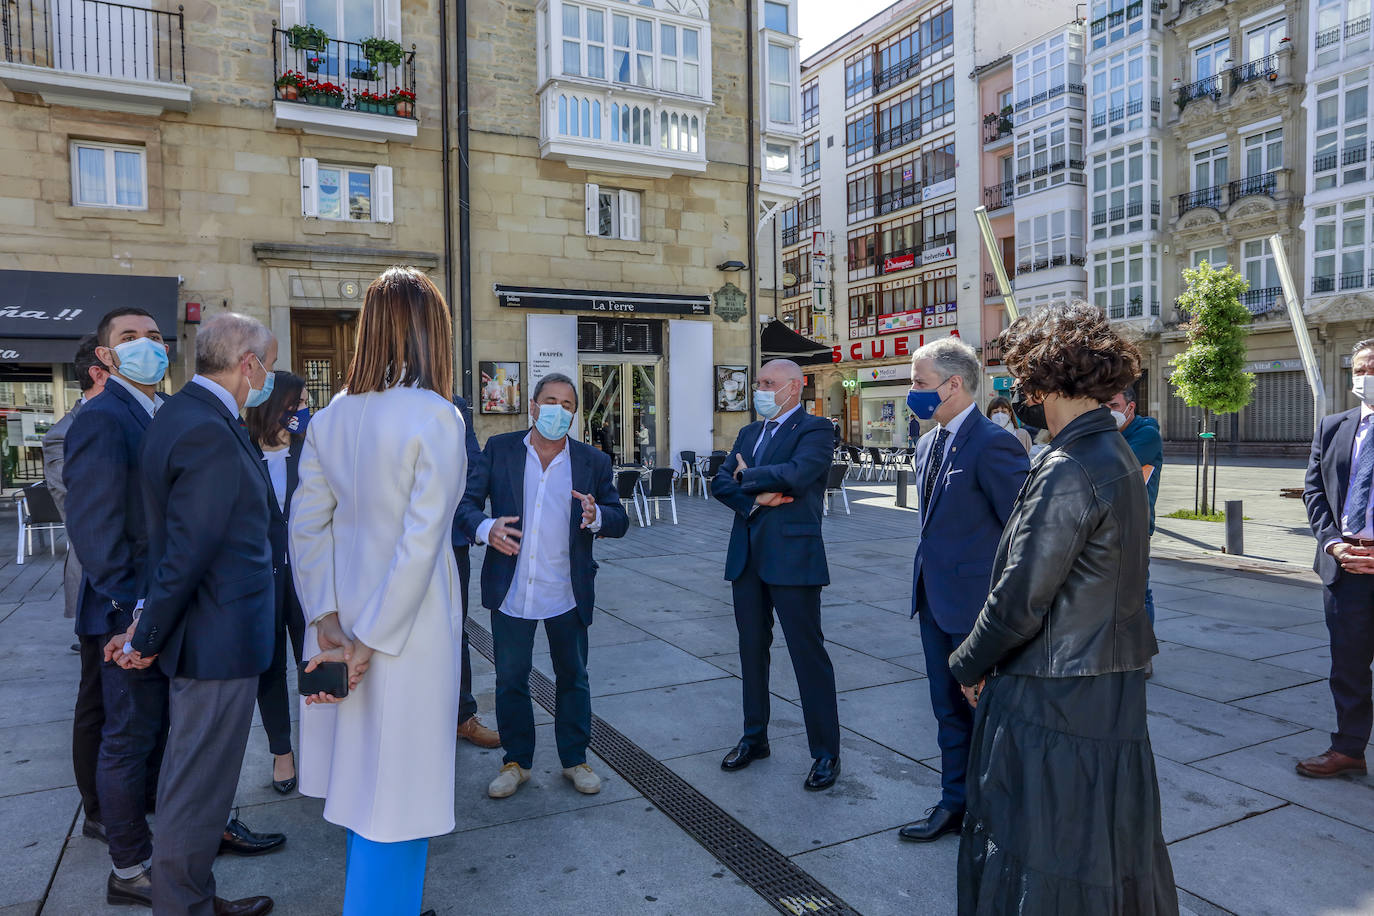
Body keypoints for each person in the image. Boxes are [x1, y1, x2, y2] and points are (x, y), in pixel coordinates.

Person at [948, 301, 1175, 915]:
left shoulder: (1069, 465)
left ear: (1045, 379)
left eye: (1022, 375)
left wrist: (967, 662)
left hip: (1055, 691)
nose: (1018, 390)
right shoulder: (1112, 451)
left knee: (1045, 847)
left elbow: (1022, 596)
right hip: (1106, 681)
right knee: (1096, 841)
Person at [288, 268, 467, 914]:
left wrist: (327, 617)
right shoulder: (436, 417)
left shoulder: (331, 416)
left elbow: (306, 524)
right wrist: (370, 640)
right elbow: (420, 545)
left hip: (343, 626)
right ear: (431, 333)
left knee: (367, 788)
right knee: (400, 798)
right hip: (406, 635)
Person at [113, 311, 284, 916]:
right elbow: (188, 547)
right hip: (216, 637)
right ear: (248, 364)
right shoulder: (205, 426)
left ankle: (193, 897)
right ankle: (182, 905)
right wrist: (149, 631)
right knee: (197, 789)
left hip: (214, 631)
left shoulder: (192, 414)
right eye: (267, 361)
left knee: (199, 784)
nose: (268, 376)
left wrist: (145, 621)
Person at [455, 372, 629, 800]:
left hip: (566, 591)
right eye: (550, 401)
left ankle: (575, 759)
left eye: (568, 404)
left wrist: (597, 516)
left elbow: (618, 516)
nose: (558, 410)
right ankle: (517, 762)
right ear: (533, 407)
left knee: (573, 677)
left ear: (574, 414)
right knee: (511, 679)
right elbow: (465, 505)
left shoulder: (592, 461)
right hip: (512, 590)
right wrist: (486, 527)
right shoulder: (500, 450)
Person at [899, 338, 1028, 843]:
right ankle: (955, 802)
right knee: (946, 709)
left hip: (977, 611)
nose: (913, 391)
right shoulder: (929, 441)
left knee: (986, 714)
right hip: (933, 601)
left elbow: (1021, 532)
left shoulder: (993, 442)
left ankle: (994, 811)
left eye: (919, 382)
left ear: (954, 384)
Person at [63, 311, 167, 896]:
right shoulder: (103, 416)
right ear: (104, 356)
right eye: (129, 338)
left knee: (154, 735)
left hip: (158, 605)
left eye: (154, 337)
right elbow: (97, 528)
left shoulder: (157, 410)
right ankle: (129, 868)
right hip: (123, 611)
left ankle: (159, 843)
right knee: (125, 737)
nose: (145, 345)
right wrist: (133, 611)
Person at [711, 358, 841, 792]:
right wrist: (756, 498)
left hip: (793, 558)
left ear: (794, 387)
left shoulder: (816, 429)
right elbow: (719, 482)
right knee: (751, 651)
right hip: (747, 557)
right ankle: (754, 738)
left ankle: (825, 753)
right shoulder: (749, 432)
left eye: (768, 383)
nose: (760, 389)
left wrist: (748, 475)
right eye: (758, 382)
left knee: (808, 655)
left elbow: (801, 473)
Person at [1299, 337, 1374, 779]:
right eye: (1361, 368)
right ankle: (1349, 748)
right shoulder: (1332, 426)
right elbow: (1314, 491)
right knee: (1347, 666)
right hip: (1345, 567)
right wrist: (1332, 543)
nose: (1367, 375)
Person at [244, 371, 310, 793]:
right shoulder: (243, 449)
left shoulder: (311, 450)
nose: (306, 411)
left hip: (307, 578)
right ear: (279, 406)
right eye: (300, 403)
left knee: (314, 663)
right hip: (261, 580)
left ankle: (325, 748)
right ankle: (281, 752)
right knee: (269, 669)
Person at [451, 393, 501, 750]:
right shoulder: (379, 401)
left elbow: (475, 464)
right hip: (393, 540)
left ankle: (462, 717)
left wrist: (465, 516)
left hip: (449, 539)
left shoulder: (454, 406)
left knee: (456, 627)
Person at [1106, 385, 1163, 627]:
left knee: (1138, 593)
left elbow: (1110, 468)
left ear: (1130, 407)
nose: (1108, 412)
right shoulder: (1110, 434)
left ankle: (1142, 656)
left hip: (1134, 525)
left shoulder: (1147, 434)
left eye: (1113, 406)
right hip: (1109, 523)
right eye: (1103, 406)